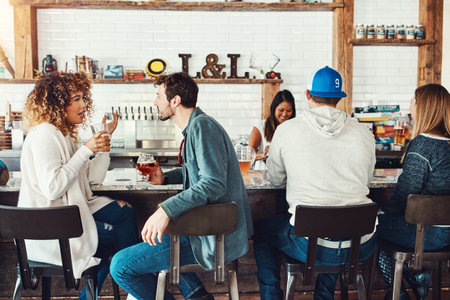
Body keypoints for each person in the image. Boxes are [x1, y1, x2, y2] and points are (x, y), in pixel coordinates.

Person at [110, 72, 253, 300]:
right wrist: (165, 178)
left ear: (175, 100)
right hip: (203, 232)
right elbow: (196, 173)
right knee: (149, 240)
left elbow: (213, 183)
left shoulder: (202, 127)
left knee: (120, 266)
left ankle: (195, 294)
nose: (155, 102)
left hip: (211, 237)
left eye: (158, 96)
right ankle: (196, 294)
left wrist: (166, 210)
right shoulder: (197, 126)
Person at [253, 66, 377, 300]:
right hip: (359, 244)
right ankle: (323, 295)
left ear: (308, 95)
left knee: (262, 230)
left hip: (309, 244)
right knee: (336, 219)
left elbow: (276, 179)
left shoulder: (287, 130)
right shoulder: (364, 132)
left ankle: (271, 296)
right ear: (340, 98)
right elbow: (366, 179)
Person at [18, 71, 139, 300]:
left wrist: (102, 144)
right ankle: (135, 288)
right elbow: (53, 187)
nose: (84, 104)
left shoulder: (64, 135)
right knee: (116, 238)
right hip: (53, 231)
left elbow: (91, 181)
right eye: (76, 99)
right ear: (57, 104)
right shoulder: (45, 134)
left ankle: (132, 289)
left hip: (65, 220)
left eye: (84, 98)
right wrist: (86, 150)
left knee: (125, 212)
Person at [377, 83, 450, 300]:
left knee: (368, 228)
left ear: (423, 107)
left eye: (412, 101)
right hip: (447, 233)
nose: (410, 106)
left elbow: (405, 195)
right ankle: (415, 277)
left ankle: (399, 291)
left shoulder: (422, 146)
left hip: (426, 235)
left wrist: (383, 212)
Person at [248, 89, 296, 170]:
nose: (284, 114)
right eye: (281, 110)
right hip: (263, 176)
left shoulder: (294, 128)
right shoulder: (260, 126)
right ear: (274, 108)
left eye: (289, 111)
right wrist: (263, 154)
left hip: (288, 176)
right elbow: (248, 155)